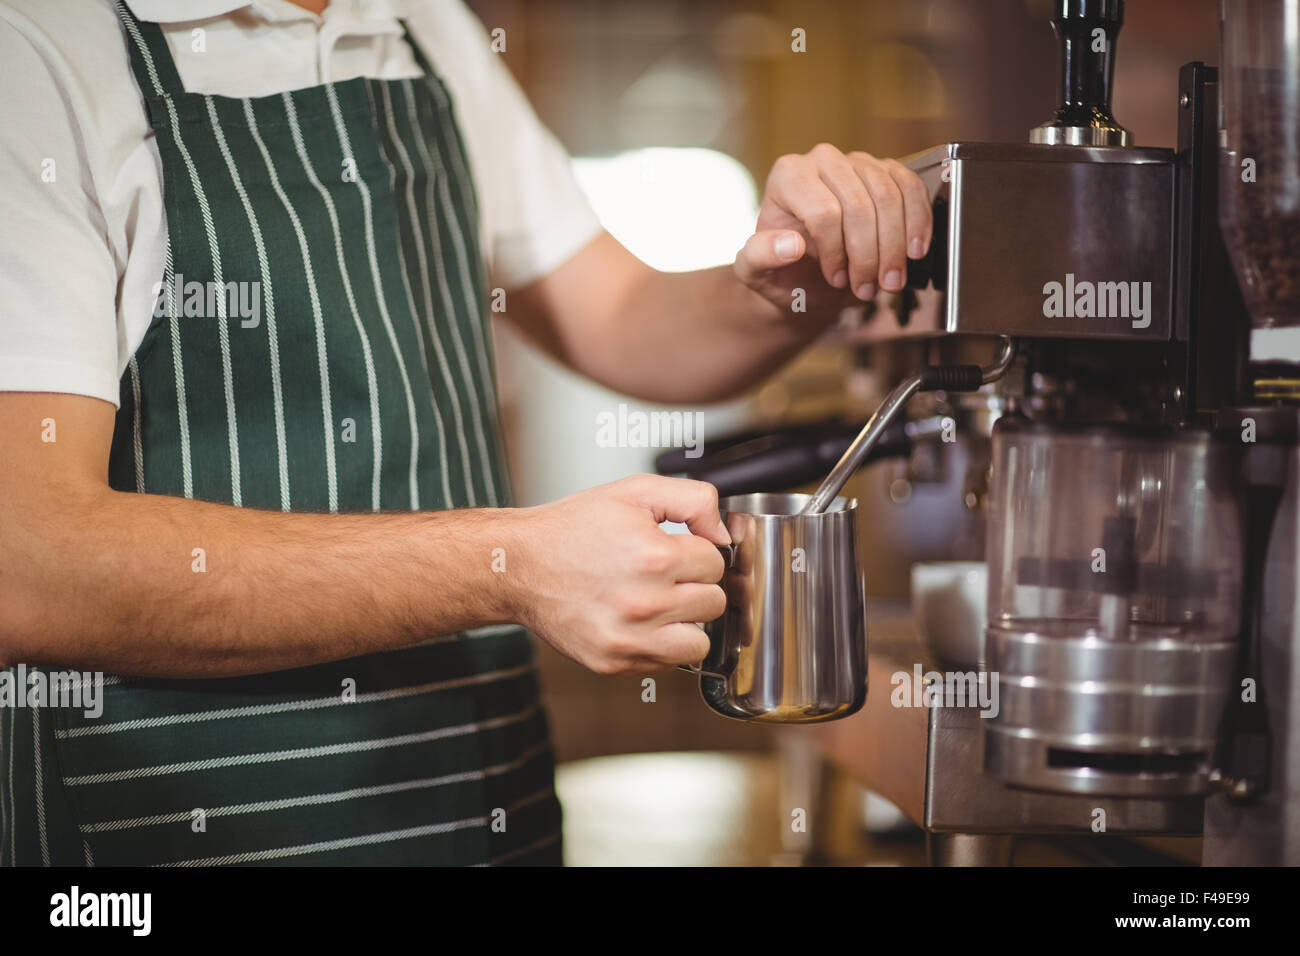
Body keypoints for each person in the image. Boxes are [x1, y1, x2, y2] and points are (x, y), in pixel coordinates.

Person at [0, 0, 932, 866]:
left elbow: (619, 316)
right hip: (193, 828)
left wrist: (801, 271)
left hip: (484, 804)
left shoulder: (421, 26)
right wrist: (510, 564)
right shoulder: (40, 47)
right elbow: (30, 564)